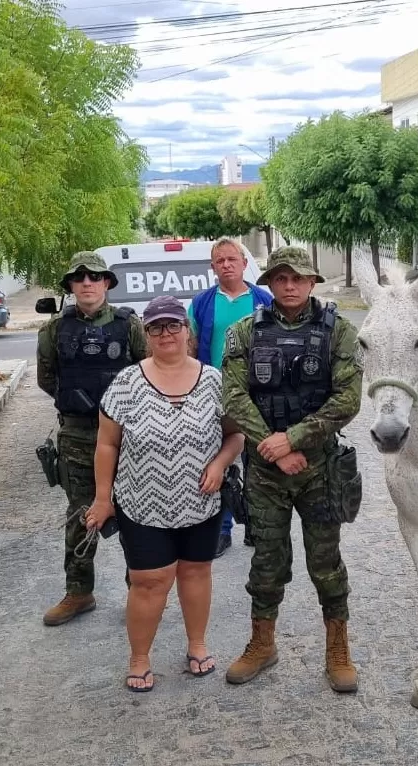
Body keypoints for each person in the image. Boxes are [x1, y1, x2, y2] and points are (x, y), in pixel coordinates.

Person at [221, 246, 364, 693]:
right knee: (267, 561)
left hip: (319, 468)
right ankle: (262, 644)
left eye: (297, 278)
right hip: (266, 471)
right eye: (280, 278)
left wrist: (296, 438)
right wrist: (275, 447)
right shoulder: (244, 331)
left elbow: (348, 399)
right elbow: (232, 397)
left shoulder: (339, 331)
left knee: (326, 562)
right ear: (269, 283)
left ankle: (337, 648)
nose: (289, 285)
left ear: (311, 282)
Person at [85, 295, 244, 692]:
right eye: (157, 327)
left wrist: (219, 463)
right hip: (142, 502)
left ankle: (197, 643)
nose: (166, 333)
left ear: (187, 331)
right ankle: (139, 658)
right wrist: (103, 499)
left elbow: (236, 434)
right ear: (147, 333)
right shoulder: (126, 382)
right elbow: (107, 445)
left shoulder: (214, 380)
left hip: (201, 501)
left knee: (195, 572)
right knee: (149, 580)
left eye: (174, 325)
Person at [37, 252, 147, 627]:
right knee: (81, 515)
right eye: (79, 277)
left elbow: (149, 373)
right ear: (71, 285)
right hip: (78, 436)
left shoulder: (130, 326)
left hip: (128, 437)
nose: (87, 282)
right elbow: (48, 379)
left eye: (95, 277)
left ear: (107, 284)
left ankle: (141, 592)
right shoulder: (55, 329)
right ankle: (79, 591)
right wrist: (80, 406)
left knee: (135, 515)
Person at [188, 237, 272, 558]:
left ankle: (255, 525)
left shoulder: (264, 300)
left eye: (231, 259)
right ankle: (222, 530)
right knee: (219, 461)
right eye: (219, 261)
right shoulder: (202, 304)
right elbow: (191, 347)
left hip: (257, 396)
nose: (226, 265)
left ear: (243, 263)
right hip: (215, 396)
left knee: (259, 463)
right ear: (213, 267)